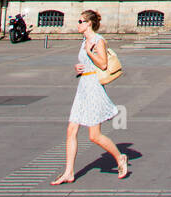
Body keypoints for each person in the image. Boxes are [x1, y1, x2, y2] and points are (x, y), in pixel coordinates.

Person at [51, 10, 128, 182]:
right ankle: (69, 172)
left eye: (80, 21)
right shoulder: (84, 41)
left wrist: (89, 51)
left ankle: (120, 157)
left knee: (94, 135)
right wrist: (78, 68)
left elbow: (102, 63)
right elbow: (87, 64)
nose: (78, 24)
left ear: (89, 23)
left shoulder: (98, 41)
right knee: (71, 130)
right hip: (83, 87)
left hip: (93, 88)